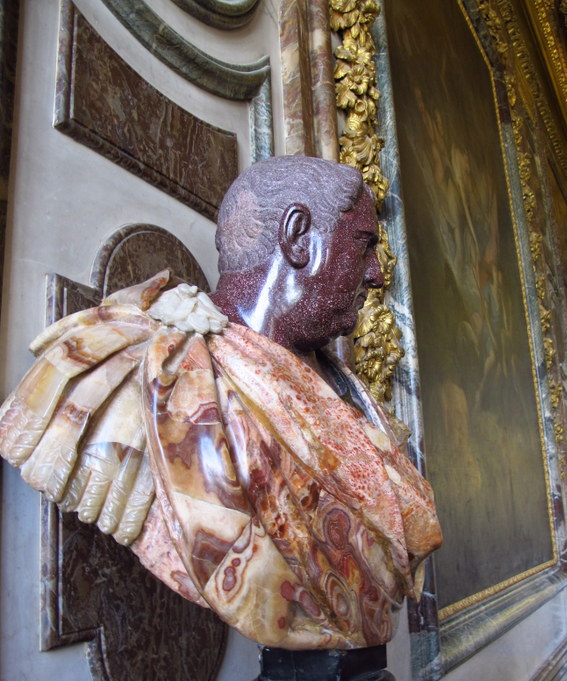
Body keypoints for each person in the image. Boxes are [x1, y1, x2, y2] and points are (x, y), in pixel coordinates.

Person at [0, 156, 442, 649]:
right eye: (364, 246)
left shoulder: (349, 393)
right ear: (298, 238)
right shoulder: (137, 369)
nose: (378, 276)